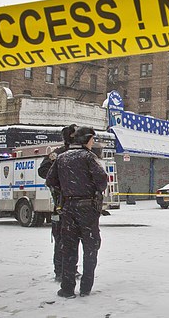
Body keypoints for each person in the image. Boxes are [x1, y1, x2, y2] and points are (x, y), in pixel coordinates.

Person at [46, 127, 107, 299]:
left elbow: (50, 180)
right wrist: (92, 189)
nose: (93, 142)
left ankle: (67, 288)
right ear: (87, 139)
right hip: (87, 208)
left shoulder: (62, 157)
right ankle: (86, 287)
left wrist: (65, 191)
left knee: (69, 249)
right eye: (92, 139)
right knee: (90, 248)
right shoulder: (88, 157)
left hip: (68, 208)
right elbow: (102, 180)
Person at [38, 124, 77, 280]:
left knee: (74, 240)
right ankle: (59, 271)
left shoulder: (80, 153)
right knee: (61, 239)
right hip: (61, 204)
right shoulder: (59, 154)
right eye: (74, 134)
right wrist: (59, 180)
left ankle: (71, 269)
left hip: (77, 205)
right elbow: (42, 171)